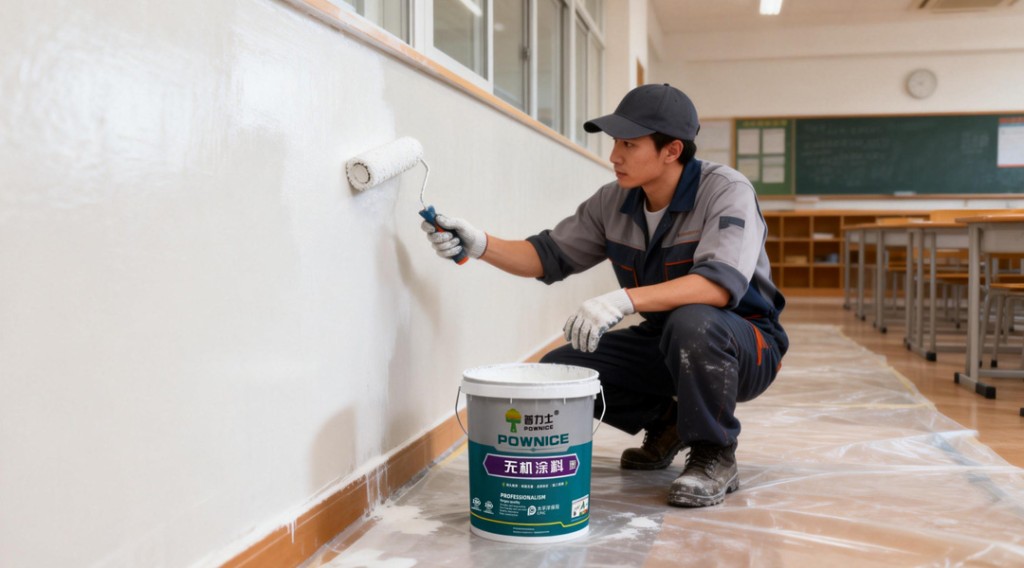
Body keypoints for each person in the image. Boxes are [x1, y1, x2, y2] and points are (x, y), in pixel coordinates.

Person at [421, 83, 788, 508]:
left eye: (629, 144)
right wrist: (480, 244)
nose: (615, 155)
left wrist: (624, 300)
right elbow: (547, 256)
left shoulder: (725, 190)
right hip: (668, 341)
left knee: (695, 320)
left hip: (745, 343)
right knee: (563, 370)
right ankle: (668, 423)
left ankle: (714, 454)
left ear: (671, 150)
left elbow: (718, 285)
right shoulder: (614, 202)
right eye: (615, 142)